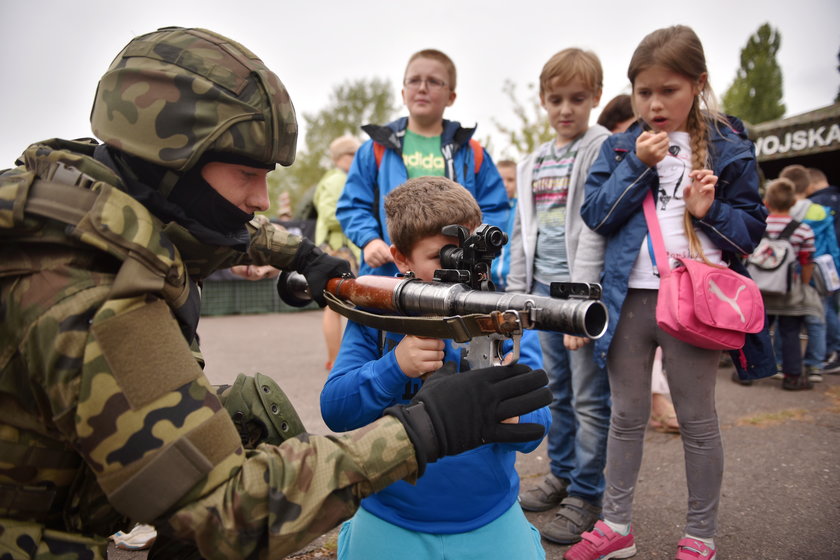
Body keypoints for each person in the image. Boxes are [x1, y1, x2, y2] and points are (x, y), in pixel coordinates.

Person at [0, 27, 552, 559]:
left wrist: (300, 255)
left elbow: (223, 221)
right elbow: (229, 514)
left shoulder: (88, 197)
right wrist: (425, 428)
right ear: (172, 161)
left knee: (245, 417)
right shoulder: (94, 300)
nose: (263, 198)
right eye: (246, 171)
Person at [565, 25, 769, 560]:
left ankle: (700, 536)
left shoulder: (728, 143)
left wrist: (709, 212)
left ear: (698, 84)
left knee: (697, 421)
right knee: (625, 417)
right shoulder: (618, 145)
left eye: (669, 90)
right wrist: (638, 164)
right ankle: (616, 528)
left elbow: (750, 231)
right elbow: (597, 216)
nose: (655, 104)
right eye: (644, 92)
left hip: (698, 305)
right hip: (629, 300)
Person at [320, 176, 550, 559]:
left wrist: (512, 412)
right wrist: (395, 366)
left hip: (489, 514)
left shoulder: (504, 315)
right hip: (389, 515)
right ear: (401, 258)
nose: (466, 269)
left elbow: (537, 430)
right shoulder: (378, 313)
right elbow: (336, 410)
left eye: (474, 253)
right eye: (444, 257)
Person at [506, 47, 612, 545]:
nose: (565, 109)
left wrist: (583, 299)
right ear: (544, 102)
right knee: (558, 392)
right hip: (542, 294)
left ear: (595, 98)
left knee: (591, 396)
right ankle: (563, 474)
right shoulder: (532, 162)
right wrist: (514, 296)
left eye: (576, 98)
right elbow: (522, 232)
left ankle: (588, 492)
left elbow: (595, 225)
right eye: (555, 99)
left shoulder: (600, 147)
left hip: (578, 294)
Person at [336, 48, 509, 277]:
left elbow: (495, 209)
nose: (422, 88)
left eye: (434, 81)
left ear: (451, 96)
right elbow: (352, 205)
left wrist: (478, 251)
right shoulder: (374, 149)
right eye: (414, 80)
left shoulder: (473, 152)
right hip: (387, 277)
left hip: (459, 278)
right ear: (403, 92)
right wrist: (369, 240)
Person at [598, 94, 679, 433]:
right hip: (621, 276)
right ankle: (654, 403)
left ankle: (657, 401)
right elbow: (598, 212)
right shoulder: (614, 151)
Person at [780, 164, 840, 381]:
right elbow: (832, 245)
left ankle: (781, 362)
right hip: (816, 270)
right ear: (807, 186)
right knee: (819, 316)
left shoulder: (782, 208)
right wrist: (836, 271)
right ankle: (817, 362)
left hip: (784, 273)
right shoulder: (820, 211)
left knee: (786, 319)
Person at [760, 177, 820, 391]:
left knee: (758, 330)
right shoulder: (803, 230)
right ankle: (793, 376)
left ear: (766, 202)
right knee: (790, 332)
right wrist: (804, 285)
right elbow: (807, 261)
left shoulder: (758, 224)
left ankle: (749, 372)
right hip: (788, 290)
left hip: (759, 289)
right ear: (794, 202)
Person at [314, 135, 362, 371]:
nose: (356, 159)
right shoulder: (336, 180)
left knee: (335, 306)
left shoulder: (335, 178)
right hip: (339, 249)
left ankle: (336, 358)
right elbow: (330, 213)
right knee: (334, 307)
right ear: (340, 157)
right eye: (352, 154)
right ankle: (335, 360)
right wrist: (355, 216)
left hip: (338, 247)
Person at [491, 158, 519, 291]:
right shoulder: (488, 209)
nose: (505, 184)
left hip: (513, 282)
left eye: (510, 180)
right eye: (501, 179)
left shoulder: (522, 210)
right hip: (488, 281)